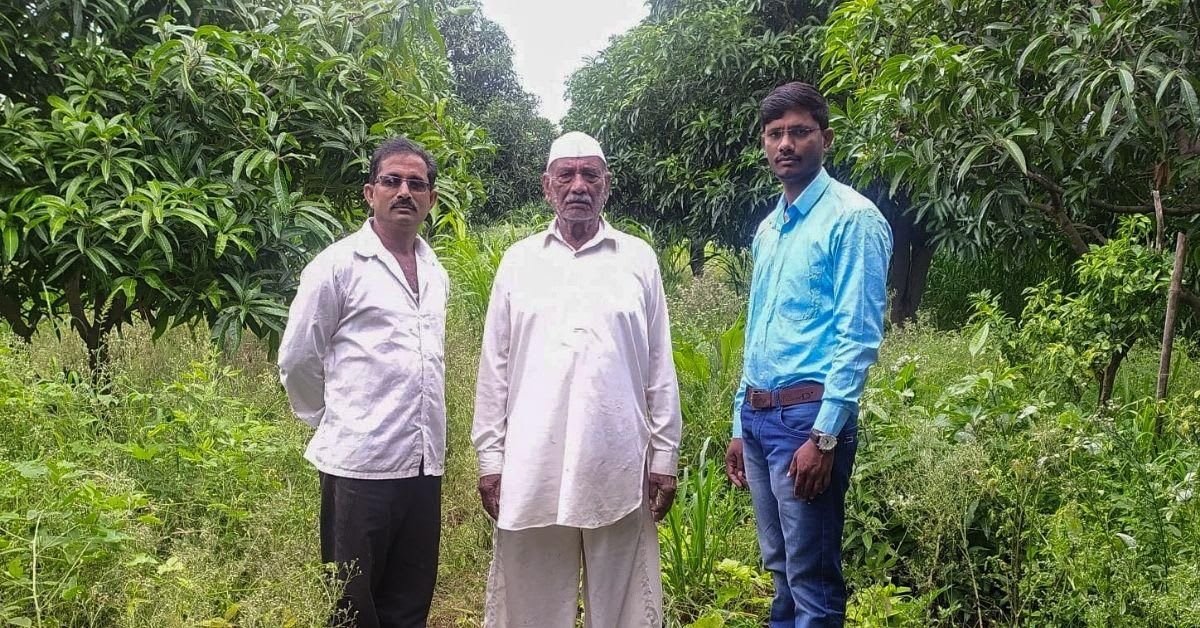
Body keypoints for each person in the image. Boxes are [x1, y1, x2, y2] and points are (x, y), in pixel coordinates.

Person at [472, 131, 682, 627]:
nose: (578, 186)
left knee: (625, 608)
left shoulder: (637, 259)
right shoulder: (519, 262)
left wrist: (665, 456)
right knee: (531, 604)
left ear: (607, 184)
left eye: (590, 174)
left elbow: (659, 363)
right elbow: (494, 366)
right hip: (532, 465)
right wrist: (490, 457)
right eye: (566, 175)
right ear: (547, 186)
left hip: (619, 462)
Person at [724, 82, 892, 627]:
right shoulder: (769, 229)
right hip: (759, 417)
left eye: (799, 132)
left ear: (826, 138)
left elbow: (857, 337)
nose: (786, 144)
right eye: (775, 134)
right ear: (763, 143)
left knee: (812, 581)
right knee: (780, 571)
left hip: (808, 420)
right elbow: (757, 331)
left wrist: (824, 438)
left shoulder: (853, 219)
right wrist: (740, 422)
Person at [277, 137, 449, 628]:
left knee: (410, 597)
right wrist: (332, 418)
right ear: (370, 193)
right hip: (358, 466)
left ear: (431, 199)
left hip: (423, 464)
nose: (404, 192)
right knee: (352, 604)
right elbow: (297, 357)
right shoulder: (338, 265)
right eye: (392, 181)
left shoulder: (435, 271)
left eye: (416, 184)